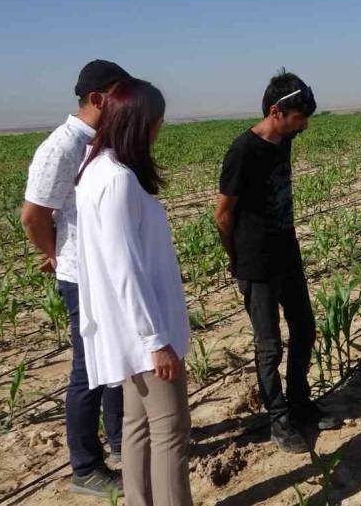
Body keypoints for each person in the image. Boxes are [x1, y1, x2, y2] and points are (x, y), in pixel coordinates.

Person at [75, 78, 192, 506]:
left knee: (138, 426)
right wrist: (155, 341)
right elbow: (125, 270)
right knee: (172, 433)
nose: (158, 131)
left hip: (123, 331)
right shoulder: (118, 180)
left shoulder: (95, 170)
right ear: (140, 124)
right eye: (157, 123)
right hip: (145, 333)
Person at [214, 69, 341, 454]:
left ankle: (301, 403)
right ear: (275, 111)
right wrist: (236, 259)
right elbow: (223, 214)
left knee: (304, 329)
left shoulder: (283, 140)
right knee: (269, 346)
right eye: (298, 119)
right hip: (256, 264)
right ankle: (278, 418)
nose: (302, 127)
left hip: (288, 254)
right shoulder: (242, 151)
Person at [21, 59, 129, 497]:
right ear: (99, 99)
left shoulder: (104, 142)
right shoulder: (61, 147)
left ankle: (121, 441)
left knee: (116, 363)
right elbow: (33, 216)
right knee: (89, 372)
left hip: (105, 272)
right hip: (82, 278)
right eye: (122, 97)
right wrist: (57, 254)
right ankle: (86, 467)